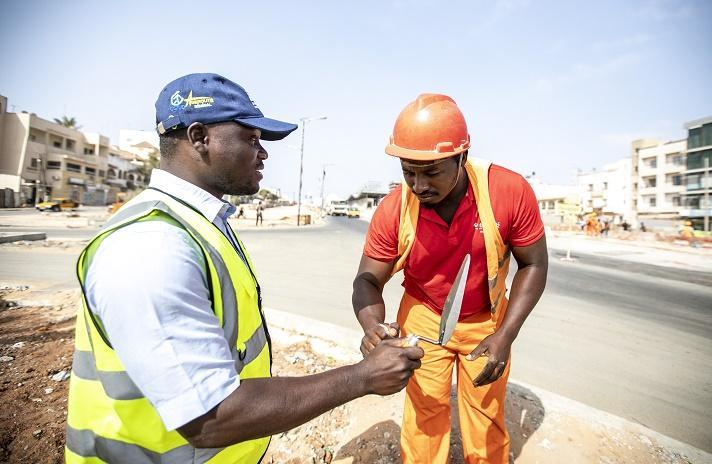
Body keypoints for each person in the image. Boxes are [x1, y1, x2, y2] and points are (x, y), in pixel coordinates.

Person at [65, 73, 424, 463]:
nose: (263, 153)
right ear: (199, 137)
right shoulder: (151, 249)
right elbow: (210, 418)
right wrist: (361, 377)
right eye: (251, 139)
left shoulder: (198, 223)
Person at [352, 94, 548, 463]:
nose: (418, 185)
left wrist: (506, 334)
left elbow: (534, 265)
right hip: (423, 314)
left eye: (431, 172)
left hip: (487, 318)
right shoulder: (394, 209)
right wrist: (373, 327)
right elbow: (366, 280)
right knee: (424, 414)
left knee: (485, 415)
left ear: (462, 156)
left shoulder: (506, 192)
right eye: (408, 172)